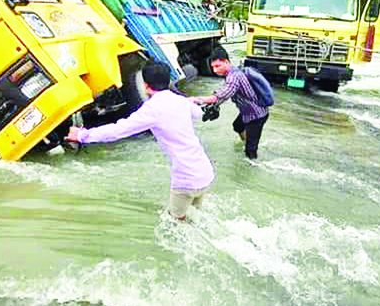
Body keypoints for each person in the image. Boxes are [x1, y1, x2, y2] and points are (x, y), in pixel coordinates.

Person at [66, 62, 214, 221]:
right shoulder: (181, 100)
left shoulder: (152, 109)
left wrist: (82, 135)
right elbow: (199, 113)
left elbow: (118, 130)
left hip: (186, 179)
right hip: (205, 172)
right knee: (195, 219)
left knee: (175, 224)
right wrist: (196, 101)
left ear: (146, 85)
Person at [190, 47, 269, 160]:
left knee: (250, 153)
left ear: (226, 62)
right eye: (213, 67)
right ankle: (247, 140)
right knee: (237, 126)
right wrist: (212, 106)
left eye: (218, 66)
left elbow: (220, 96)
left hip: (257, 115)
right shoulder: (233, 72)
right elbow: (226, 93)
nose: (215, 70)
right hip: (248, 111)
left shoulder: (233, 77)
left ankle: (252, 165)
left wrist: (196, 99)